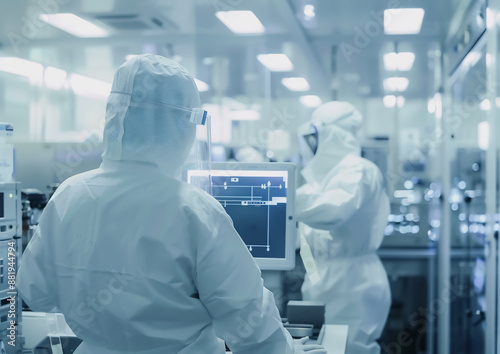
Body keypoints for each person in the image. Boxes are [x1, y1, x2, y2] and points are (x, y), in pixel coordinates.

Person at [17, 55, 326, 354]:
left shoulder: (69, 194)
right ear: (180, 125)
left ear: (114, 116)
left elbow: (36, 293)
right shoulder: (193, 210)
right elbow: (249, 322)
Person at [296, 101, 391, 354]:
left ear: (331, 133)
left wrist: (280, 197)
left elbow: (332, 211)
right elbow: (306, 236)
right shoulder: (324, 177)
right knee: (324, 348)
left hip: (352, 283)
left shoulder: (358, 170)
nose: (311, 143)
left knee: (350, 349)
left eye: (316, 135)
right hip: (322, 279)